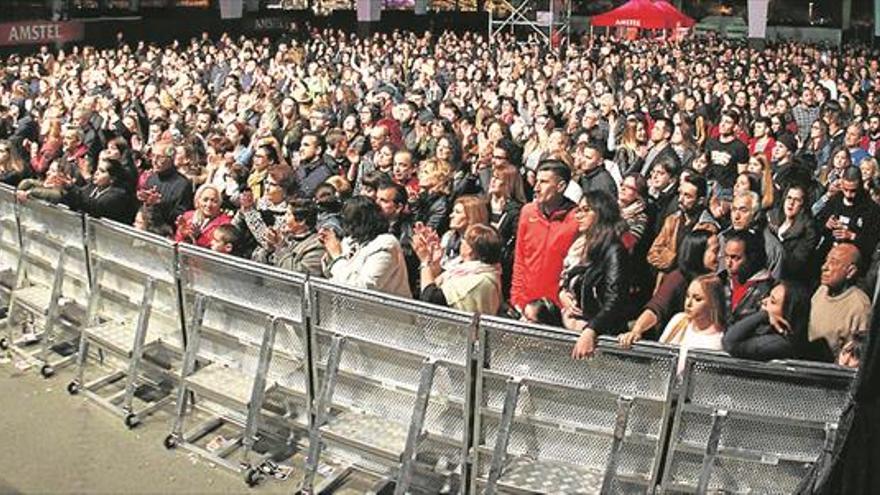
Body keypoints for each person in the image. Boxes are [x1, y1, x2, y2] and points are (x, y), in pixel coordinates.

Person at [618, 228, 720, 348]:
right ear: (699, 252)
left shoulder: (716, 281)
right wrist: (636, 330)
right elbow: (657, 307)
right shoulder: (677, 279)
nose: (720, 256)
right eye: (715, 251)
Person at [561, 191, 630, 358]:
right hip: (576, 327)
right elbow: (570, 278)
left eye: (586, 210)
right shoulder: (586, 246)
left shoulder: (614, 250)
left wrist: (591, 329)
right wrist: (564, 294)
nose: (579, 215)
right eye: (578, 210)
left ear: (600, 213)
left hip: (602, 338)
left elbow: (615, 298)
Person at [510, 160, 579, 310]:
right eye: (536, 181)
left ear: (561, 186)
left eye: (544, 182)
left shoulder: (576, 218)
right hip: (526, 305)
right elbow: (520, 258)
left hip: (558, 308)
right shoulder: (528, 212)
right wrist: (516, 299)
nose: (536, 188)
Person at [319, 196, 411, 297]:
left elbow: (362, 288)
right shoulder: (350, 240)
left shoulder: (386, 244)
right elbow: (335, 275)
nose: (346, 227)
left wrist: (336, 257)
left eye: (350, 222)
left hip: (381, 311)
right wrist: (330, 252)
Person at [413, 223, 502, 315]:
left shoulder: (480, 280)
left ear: (469, 249)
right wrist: (434, 263)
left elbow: (431, 300)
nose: (461, 242)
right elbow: (435, 286)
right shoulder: (466, 269)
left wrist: (425, 261)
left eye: (464, 239)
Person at [723, 281, 814, 361]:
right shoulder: (767, 329)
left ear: (788, 312)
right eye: (768, 296)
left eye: (773, 301)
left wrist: (764, 314)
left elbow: (730, 343)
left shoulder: (779, 343)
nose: (764, 301)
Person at [808, 244, 872, 358]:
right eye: (826, 260)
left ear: (850, 271)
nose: (824, 267)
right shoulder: (821, 291)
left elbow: (859, 355)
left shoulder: (859, 306)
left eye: (834, 262)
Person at [647, 174, 709, 283]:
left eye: (687, 196)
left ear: (700, 200)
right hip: (665, 282)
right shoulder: (672, 220)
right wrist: (674, 259)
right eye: (680, 194)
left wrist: (667, 256)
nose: (680, 199)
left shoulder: (707, 227)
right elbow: (652, 254)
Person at [660, 274, 726, 372]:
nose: (688, 303)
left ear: (713, 303)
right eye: (687, 296)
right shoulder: (679, 320)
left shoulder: (719, 339)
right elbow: (659, 354)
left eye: (697, 299)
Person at [766, 185, 820, 284]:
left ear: (803, 205)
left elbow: (796, 264)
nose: (791, 203)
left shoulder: (809, 231)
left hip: (788, 281)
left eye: (797, 200)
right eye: (789, 198)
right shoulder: (772, 218)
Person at [720, 229, 774, 325]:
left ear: (751, 257)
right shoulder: (722, 280)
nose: (728, 263)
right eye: (726, 256)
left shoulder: (767, 289)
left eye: (735, 258)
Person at [62, 157, 135, 224]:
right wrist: (62, 187)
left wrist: (70, 187)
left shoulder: (118, 194)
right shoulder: (92, 187)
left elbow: (95, 206)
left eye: (102, 171)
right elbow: (77, 199)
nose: (96, 173)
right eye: (97, 169)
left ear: (112, 179)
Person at [264, 198, 325, 276]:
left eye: (288, 215)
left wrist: (281, 247)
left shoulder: (317, 246)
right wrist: (269, 249)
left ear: (301, 221)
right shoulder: (285, 237)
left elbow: (297, 277)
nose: (284, 218)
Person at [174, 184, 232, 249]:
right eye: (205, 200)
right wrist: (184, 235)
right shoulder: (188, 216)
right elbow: (177, 243)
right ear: (198, 201)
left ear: (219, 203)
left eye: (214, 201)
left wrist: (196, 237)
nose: (209, 205)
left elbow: (216, 248)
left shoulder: (225, 223)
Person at [439, 195, 488, 269]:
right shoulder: (448, 236)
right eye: (453, 211)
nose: (451, 215)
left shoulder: (478, 243)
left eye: (457, 212)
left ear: (471, 217)